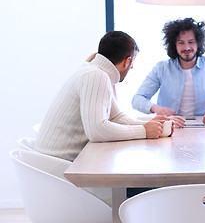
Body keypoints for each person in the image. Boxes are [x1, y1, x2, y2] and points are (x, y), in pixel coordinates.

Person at [35, 31, 169, 162]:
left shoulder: (93, 72)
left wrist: (151, 124)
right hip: (57, 166)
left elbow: (117, 117)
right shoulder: (96, 76)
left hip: (50, 162)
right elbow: (97, 131)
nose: (132, 67)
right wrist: (144, 131)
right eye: (133, 61)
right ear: (127, 61)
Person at [132, 17, 205, 125]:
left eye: (191, 42)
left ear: (198, 43)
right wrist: (155, 108)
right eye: (181, 43)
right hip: (171, 126)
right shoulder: (161, 68)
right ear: (174, 45)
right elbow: (137, 99)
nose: (186, 47)